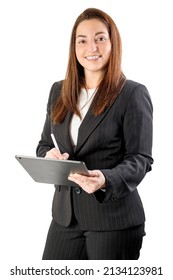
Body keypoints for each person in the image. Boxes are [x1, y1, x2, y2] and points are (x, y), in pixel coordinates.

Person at [36, 7, 153, 260]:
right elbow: (45, 143)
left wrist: (105, 179)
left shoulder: (132, 94)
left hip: (114, 220)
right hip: (65, 219)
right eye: (83, 40)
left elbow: (140, 159)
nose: (92, 47)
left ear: (113, 43)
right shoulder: (59, 91)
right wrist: (49, 156)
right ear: (74, 47)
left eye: (100, 38)